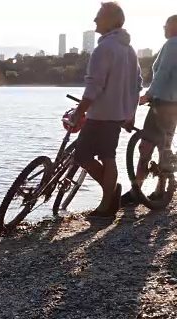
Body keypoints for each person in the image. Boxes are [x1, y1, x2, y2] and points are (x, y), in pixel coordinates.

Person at [70, 2, 142, 218]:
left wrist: (79, 111)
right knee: (108, 156)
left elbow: (94, 85)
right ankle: (109, 199)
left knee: (82, 156)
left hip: (100, 115)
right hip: (117, 116)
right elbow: (137, 85)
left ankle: (107, 202)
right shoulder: (129, 50)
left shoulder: (104, 48)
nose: (94, 20)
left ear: (111, 20)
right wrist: (131, 114)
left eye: (99, 16)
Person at [121, 15, 177, 206]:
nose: (164, 28)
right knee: (164, 146)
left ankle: (137, 191)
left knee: (145, 146)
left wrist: (148, 95)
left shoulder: (171, 45)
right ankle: (161, 190)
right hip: (174, 105)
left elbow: (162, 75)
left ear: (173, 26)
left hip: (162, 103)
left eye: (166, 25)